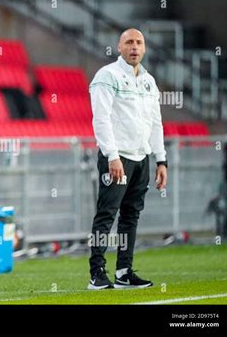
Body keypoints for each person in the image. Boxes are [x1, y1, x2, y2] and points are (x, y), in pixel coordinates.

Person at [88, 28, 168, 290]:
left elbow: (155, 122)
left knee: (131, 215)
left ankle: (123, 271)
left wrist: (161, 160)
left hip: (141, 158)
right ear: (119, 47)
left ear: (144, 48)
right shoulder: (107, 76)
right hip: (118, 157)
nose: (134, 46)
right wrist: (112, 156)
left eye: (139, 42)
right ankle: (96, 273)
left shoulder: (149, 81)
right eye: (129, 42)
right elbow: (100, 119)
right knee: (107, 214)